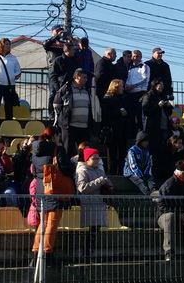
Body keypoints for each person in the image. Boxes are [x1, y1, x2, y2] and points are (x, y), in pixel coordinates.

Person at [30, 126, 72, 265]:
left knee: (43, 223)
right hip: (54, 190)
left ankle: (36, 252)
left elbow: (34, 172)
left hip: (41, 189)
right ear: (55, 136)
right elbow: (65, 168)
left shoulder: (35, 151)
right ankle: (47, 254)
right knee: (52, 224)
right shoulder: (57, 149)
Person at [75, 147, 113, 257]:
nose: (96, 161)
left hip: (99, 203)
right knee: (90, 229)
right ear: (87, 159)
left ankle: (89, 253)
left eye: (98, 159)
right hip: (89, 204)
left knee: (95, 229)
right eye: (93, 159)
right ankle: (86, 253)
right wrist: (99, 181)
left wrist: (109, 184)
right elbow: (82, 188)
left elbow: (107, 183)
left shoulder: (100, 171)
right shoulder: (82, 171)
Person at [53, 68, 97, 156]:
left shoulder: (86, 89)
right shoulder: (66, 89)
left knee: (85, 153)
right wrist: (63, 118)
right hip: (70, 127)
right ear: (76, 77)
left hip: (84, 127)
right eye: (84, 77)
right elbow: (56, 104)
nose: (86, 80)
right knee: (67, 151)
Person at [100, 79, 129, 174]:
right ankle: (112, 171)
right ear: (115, 87)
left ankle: (121, 171)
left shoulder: (124, 98)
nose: (123, 88)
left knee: (122, 152)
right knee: (112, 152)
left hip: (122, 129)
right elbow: (105, 114)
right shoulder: (107, 99)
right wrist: (119, 112)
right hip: (112, 130)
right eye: (121, 86)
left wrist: (126, 113)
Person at [142, 78, 174, 155]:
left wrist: (168, 106)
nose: (162, 87)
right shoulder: (148, 96)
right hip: (154, 128)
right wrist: (157, 106)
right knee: (154, 149)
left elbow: (169, 113)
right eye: (160, 85)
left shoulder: (163, 96)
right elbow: (146, 111)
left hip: (164, 127)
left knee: (163, 149)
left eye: (163, 85)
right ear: (155, 85)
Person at [125, 130, 157, 195]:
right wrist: (140, 175)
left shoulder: (147, 151)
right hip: (131, 172)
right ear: (140, 141)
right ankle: (148, 194)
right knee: (140, 181)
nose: (147, 143)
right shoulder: (132, 151)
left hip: (143, 171)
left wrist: (146, 173)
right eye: (145, 141)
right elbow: (132, 166)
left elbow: (149, 164)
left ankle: (154, 192)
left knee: (150, 178)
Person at [125, 50, 150, 130]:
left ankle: (142, 133)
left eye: (137, 56)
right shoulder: (129, 67)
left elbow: (145, 79)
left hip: (140, 94)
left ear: (141, 57)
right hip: (130, 94)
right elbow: (128, 78)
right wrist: (127, 85)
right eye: (134, 56)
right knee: (130, 116)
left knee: (140, 115)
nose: (135, 58)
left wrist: (133, 86)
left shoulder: (144, 66)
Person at [50, 43, 78, 111]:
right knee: (60, 108)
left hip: (71, 88)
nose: (74, 51)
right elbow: (53, 75)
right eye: (73, 49)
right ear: (67, 50)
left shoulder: (74, 61)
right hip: (61, 87)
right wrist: (58, 88)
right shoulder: (58, 60)